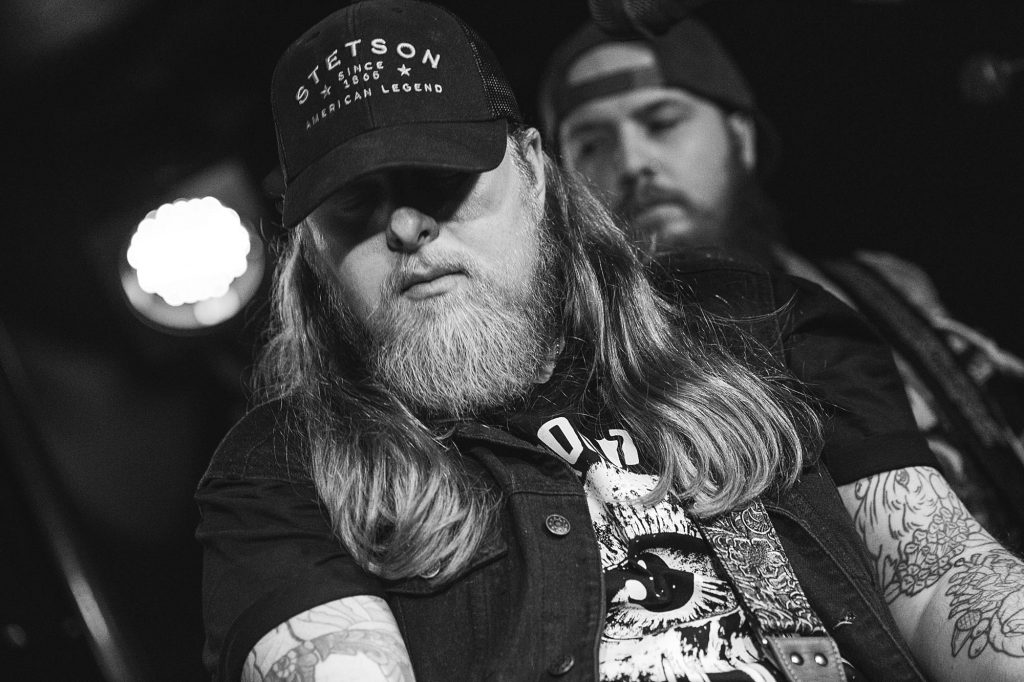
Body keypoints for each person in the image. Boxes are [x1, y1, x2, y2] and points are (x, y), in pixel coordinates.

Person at [197, 2, 1024, 680]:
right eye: (355, 205)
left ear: (534, 170)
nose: (407, 225)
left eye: (441, 177)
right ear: (311, 251)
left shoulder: (762, 330)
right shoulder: (286, 471)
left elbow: (944, 582)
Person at [539, 17, 1024, 551]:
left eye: (663, 122)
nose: (633, 163)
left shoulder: (878, 287)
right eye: (591, 145)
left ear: (741, 138)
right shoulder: (566, 361)